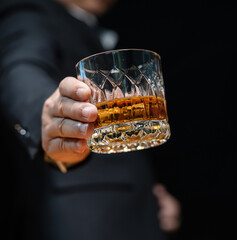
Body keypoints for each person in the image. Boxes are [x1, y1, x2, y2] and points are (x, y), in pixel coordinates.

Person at [0, 0, 180, 239]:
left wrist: (148, 197)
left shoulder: (92, 26)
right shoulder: (30, 11)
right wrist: (45, 117)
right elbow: (20, 68)